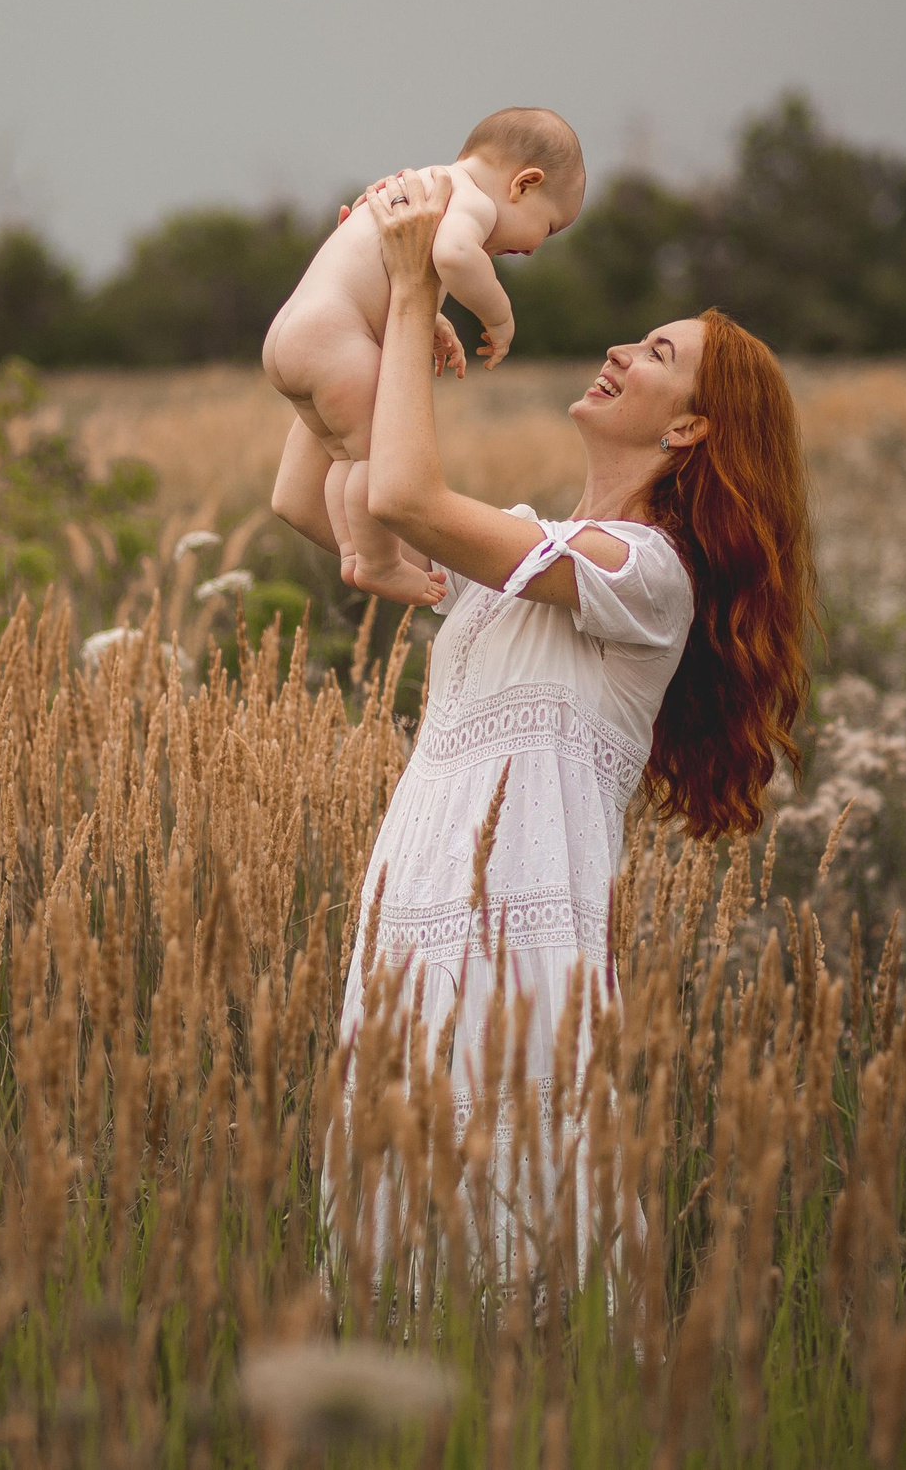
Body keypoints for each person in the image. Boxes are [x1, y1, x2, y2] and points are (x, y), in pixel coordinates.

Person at [325, 165, 815, 1287]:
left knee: (510, 1211)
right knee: (396, 1216)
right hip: (416, 902)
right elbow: (326, 504)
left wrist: (413, 296)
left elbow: (406, 501)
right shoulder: (529, 548)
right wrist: (346, 307)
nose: (619, 353)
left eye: (656, 355)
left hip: (512, 927)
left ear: (691, 426)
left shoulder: (647, 574)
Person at [263, 108, 586, 607]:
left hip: (292, 338)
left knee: (352, 458)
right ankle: (378, 562)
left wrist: (430, 318)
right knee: (375, 458)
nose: (537, 247)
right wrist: (499, 317)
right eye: (548, 226)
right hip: (335, 340)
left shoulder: (417, 188)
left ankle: (355, 553)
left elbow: (383, 275)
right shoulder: (472, 202)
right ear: (523, 184)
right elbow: (455, 257)